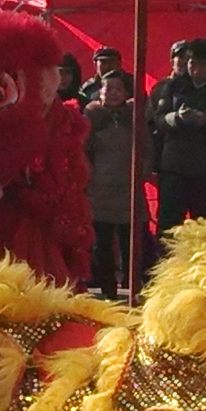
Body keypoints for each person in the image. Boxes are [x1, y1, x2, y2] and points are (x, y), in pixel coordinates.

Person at [148, 37, 206, 229]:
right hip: (174, 168)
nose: (196, 70)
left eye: (202, 65)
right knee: (169, 227)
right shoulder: (173, 86)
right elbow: (158, 119)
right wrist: (177, 118)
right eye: (192, 63)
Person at [84, 68, 140, 296]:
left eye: (118, 88)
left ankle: (131, 286)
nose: (113, 93)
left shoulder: (134, 116)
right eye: (108, 88)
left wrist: (142, 172)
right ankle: (107, 288)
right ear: (100, 91)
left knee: (131, 242)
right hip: (100, 188)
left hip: (129, 187)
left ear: (126, 92)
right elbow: (82, 152)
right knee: (102, 242)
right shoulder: (91, 116)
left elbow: (146, 149)